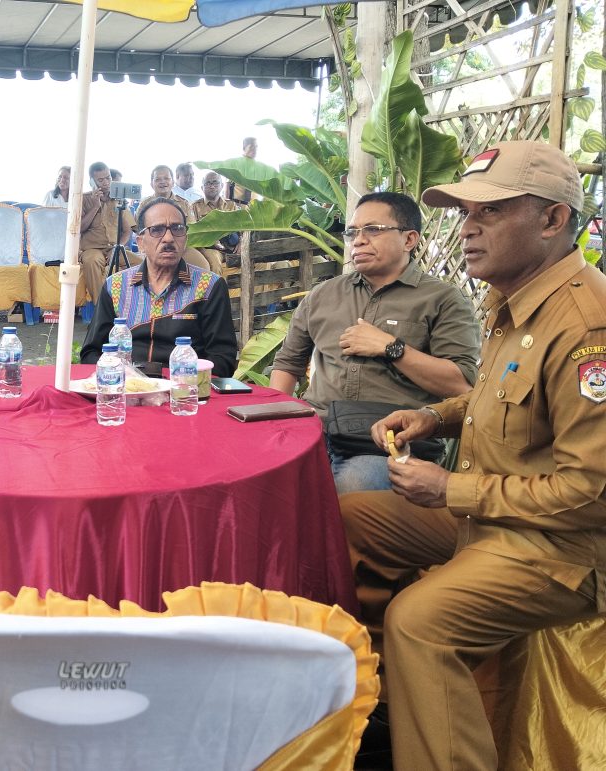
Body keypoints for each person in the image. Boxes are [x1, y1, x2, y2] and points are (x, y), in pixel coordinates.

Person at [340, 141, 606, 770]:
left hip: (561, 550)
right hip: (490, 518)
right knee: (351, 517)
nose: (468, 228)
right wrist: (433, 416)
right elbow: (498, 395)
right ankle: (387, 702)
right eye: (465, 212)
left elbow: (591, 492)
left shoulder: (587, 328)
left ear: (552, 219)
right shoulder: (515, 299)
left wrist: (449, 490)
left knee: (419, 621)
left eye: (490, 212)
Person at [270, 191, 480, 493]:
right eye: (353, 232)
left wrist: (391, 348)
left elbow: (461, 385)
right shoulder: (323, 295)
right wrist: (275, 423)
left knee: (354, 486)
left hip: (388, 442)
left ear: (409, 239)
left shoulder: (442, 300)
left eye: (373, 230)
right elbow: (288, 364)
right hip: (316, 431)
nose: (358, 240)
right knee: (263, 478)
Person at [81, 197, 238, 377]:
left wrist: (177, 380)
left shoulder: (209, 287)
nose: (169, 238)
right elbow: (91, 353)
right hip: (128, 387)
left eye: (177, 229)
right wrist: (123, 377)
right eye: (157, 230)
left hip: (183, 388)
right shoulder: (115, 286)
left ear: (185, 239)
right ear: (140, 242)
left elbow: (222, 359)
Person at [79, 161, 138, 301]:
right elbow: (79, 228)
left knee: (144, 264)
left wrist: (118, 247)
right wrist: (95, 206)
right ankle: (100, 306)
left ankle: (132, 304)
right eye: (101, 180)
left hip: (115, 247)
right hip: (93, 249)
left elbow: (127, 231)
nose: (106, 183)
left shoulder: (119, 199)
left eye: (108, 178)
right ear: (92, 182)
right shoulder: (83, 199)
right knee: (91, 261)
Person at [138, 166, 210, 271]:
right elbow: (139, 231)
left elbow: (191, 230)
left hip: (181, 247)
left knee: (203, 266)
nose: (162, 182)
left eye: (166, 178)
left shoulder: (184, 204)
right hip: (153, 247)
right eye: (158, 179)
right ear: (151, 184)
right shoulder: (144, 205)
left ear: (173, 182)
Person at [190, 170, 242, 274]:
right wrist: (211, 242)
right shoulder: (194, 207)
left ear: (222, 185)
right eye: (208, 183)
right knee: (214, 262)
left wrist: (241, 243)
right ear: (202, 187)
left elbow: (243, 228)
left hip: (232, 247)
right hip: (210, 249)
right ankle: (216, 285)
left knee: (259, 261)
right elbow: (192, 233)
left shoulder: (231, 205)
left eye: (215, 182)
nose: (212, 186)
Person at [226, 137, 257, 205]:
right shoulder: (235, 164)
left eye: (256, 147)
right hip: (237, 205)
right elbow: (228, 186)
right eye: (251, 147)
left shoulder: (258, 168)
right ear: (244, 148)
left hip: (253, 206)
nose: (255, 150)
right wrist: (228, 205)